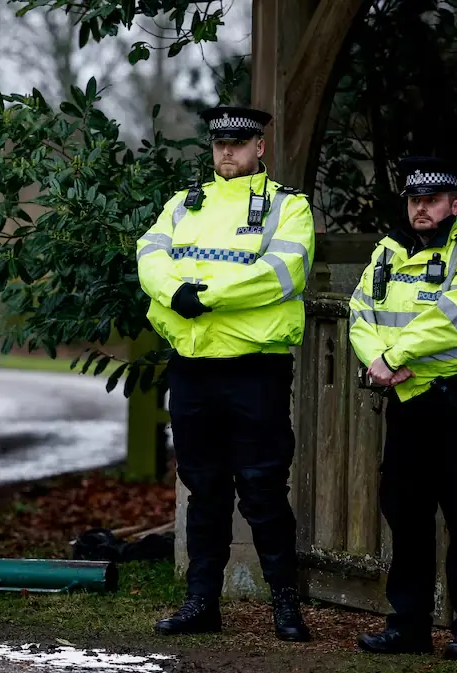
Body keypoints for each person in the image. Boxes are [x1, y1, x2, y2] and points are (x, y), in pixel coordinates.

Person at [134, 106, 315, 642]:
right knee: (202, 487)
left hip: (254, 368)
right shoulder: (181, 205)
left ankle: (285, 605)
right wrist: (174, 293)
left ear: (260, 147)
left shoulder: (289, 207)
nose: (227, 152)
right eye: (220, 144)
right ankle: (200, 604)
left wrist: (202, 297)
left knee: (262, 488)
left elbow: (282, 274)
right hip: (192, 367)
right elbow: (150, 257)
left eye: (239, 143)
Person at [347, 156, 457, 660]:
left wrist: (391, 357)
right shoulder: (387, 254)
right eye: (415, 200)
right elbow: (359, 312)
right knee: (406, 517)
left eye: (432, 201)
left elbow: (454, 319)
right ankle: (408, 626)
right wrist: (376, 362)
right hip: (405, 400)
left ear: (455, 206)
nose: (421, 208)